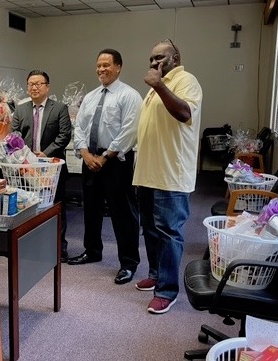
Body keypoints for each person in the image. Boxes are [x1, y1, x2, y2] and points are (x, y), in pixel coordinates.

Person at [133, 39, 203, 314]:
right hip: (148, 173)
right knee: (150, 230)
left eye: (161, 57)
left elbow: (184, 113)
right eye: (152, 58)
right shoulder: (155, 85)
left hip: (170, 176)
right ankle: (156, 274)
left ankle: (167, 290)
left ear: (176, 57)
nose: (154, 63)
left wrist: (159, 85)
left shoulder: (186, 80)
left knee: (169, 233)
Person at [68, 49, 142, 286]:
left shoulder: (129, 96)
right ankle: (92, 251)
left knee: (123, 213)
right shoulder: (90, 97)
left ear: (118, 67)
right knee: (91, 208)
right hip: (90, 160)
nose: (101, 69)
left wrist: (106, 156)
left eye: (106, 65)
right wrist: (86, 154)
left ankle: (128, 263)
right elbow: (79, 127)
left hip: (116, 162)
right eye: (98, 65)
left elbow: (129, 130)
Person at [11, 70, 72, 261]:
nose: (34, 87)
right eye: (30, 84)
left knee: (56, 207)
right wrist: (27, 156)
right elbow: (14, 137)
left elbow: (64, 135)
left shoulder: (59, 108)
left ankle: (59, 247)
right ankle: (33, 247)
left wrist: (45, 154)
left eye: (38, 84)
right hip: (28, 168)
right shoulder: (20, 110)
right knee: (29, 207)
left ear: (47, 87)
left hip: (52, 167)